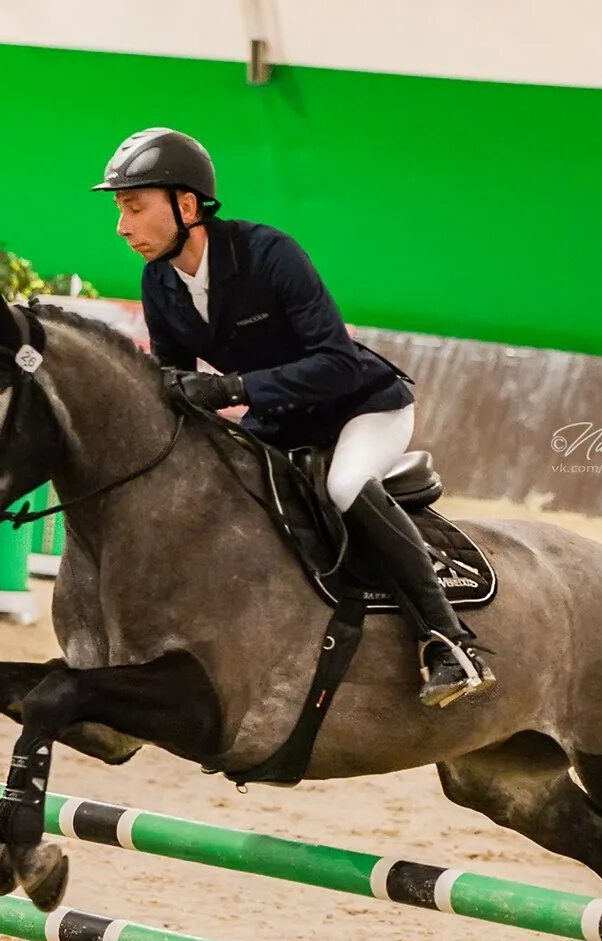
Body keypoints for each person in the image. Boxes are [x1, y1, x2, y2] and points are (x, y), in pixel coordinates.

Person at [92, 127, 494, 707]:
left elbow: (336, 362)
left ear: (185, 205)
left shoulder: (268, 254)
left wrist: (232, 386)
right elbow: (175, 382)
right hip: (281, 419)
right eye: (120, 210)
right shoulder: (159, 280)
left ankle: (449, 643)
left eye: (134, 207)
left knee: (345, 484)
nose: (122, 226)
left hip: (361, 406)